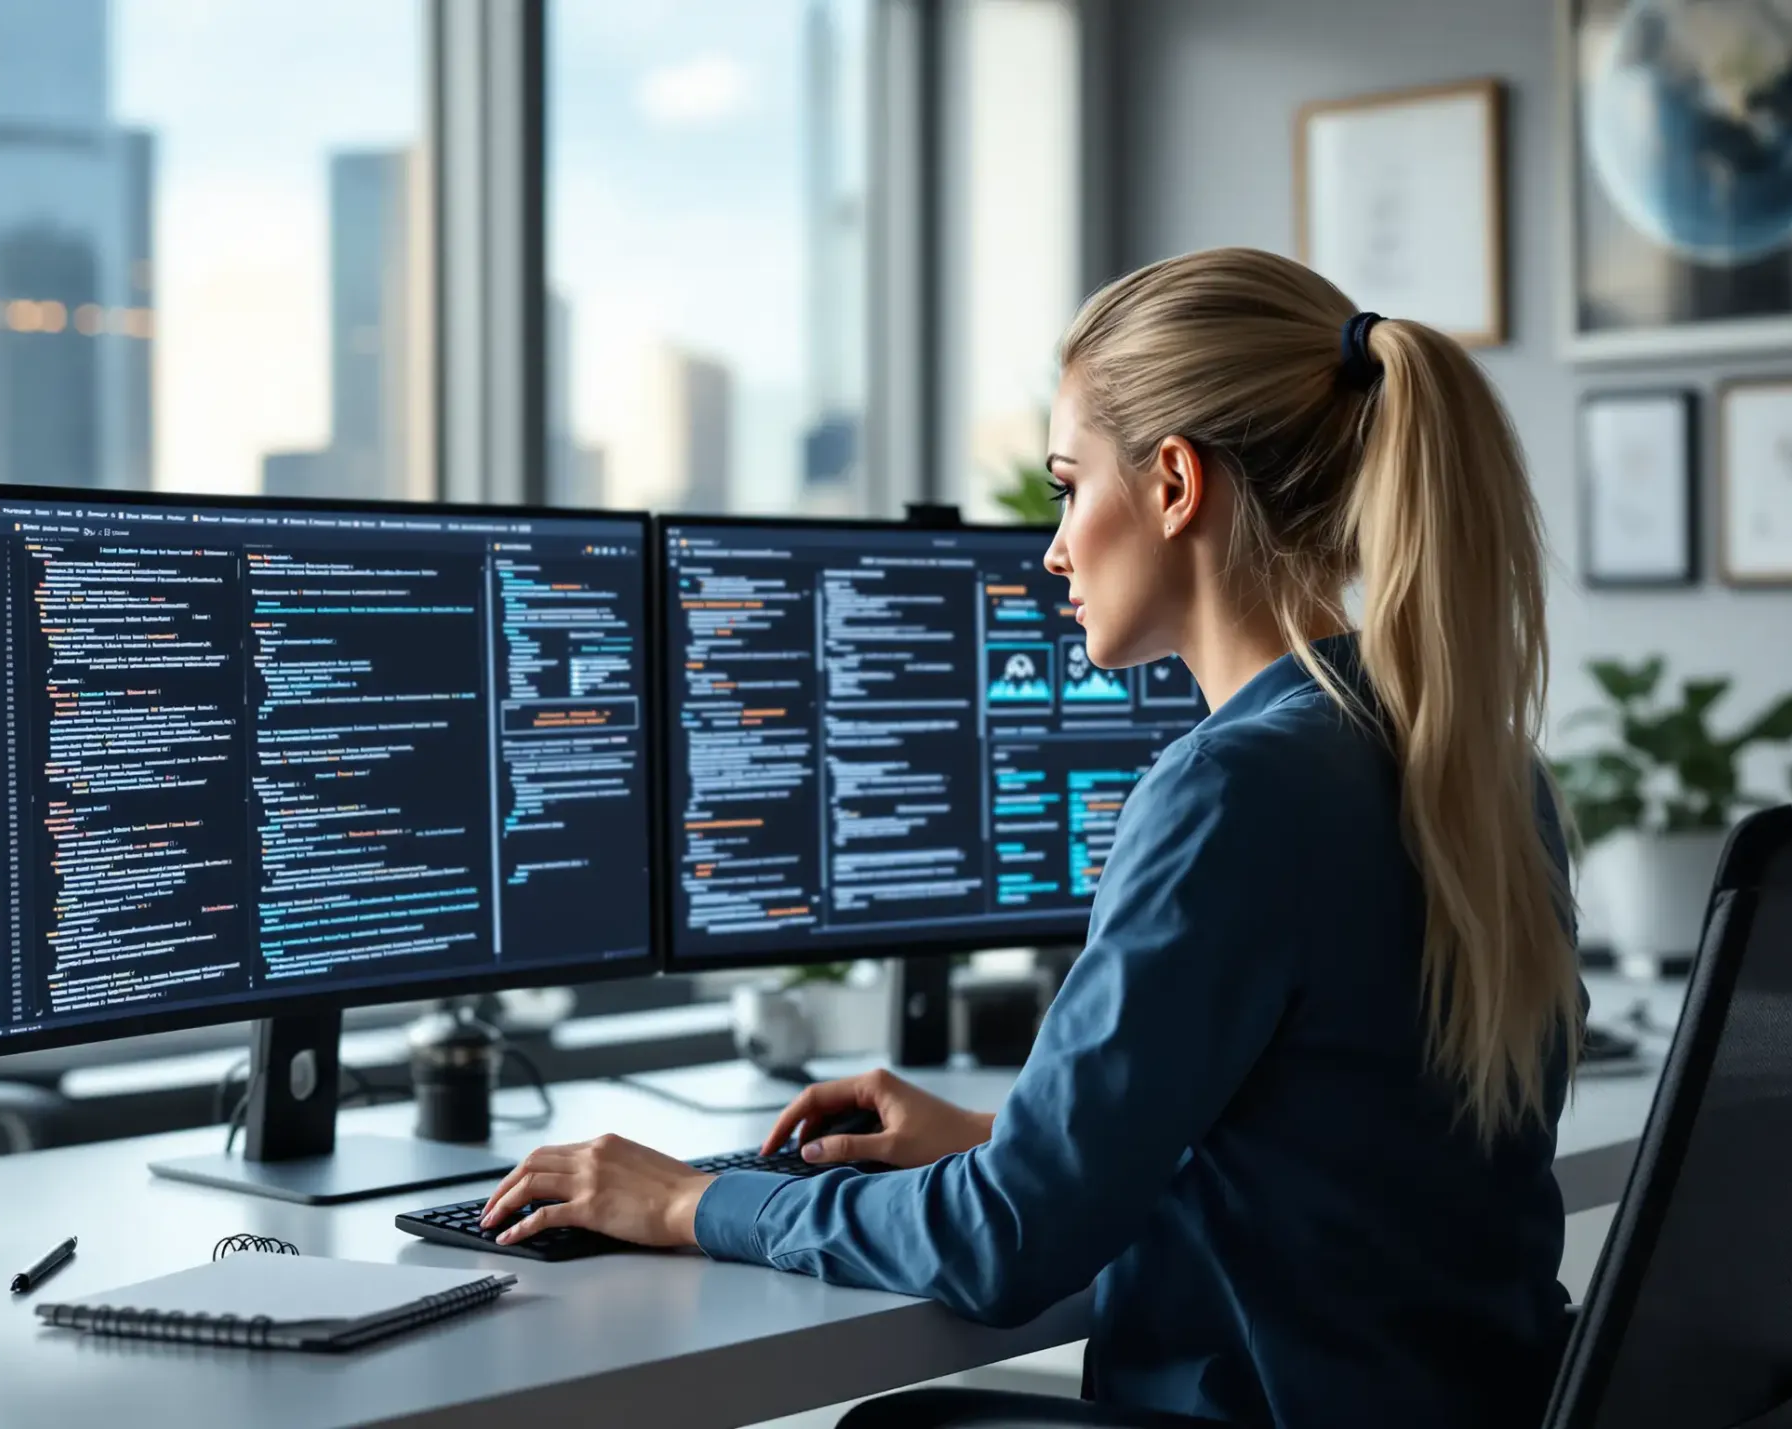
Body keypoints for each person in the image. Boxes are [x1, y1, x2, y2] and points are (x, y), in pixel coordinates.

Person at [477, 247, 1584, 1428]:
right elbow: (1345, 1148)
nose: (1052, 546)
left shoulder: (1232, 788)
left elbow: (1007, 1244)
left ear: (1172, 484)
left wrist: (690, 1203)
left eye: (1067, 485)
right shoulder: (1468, 760)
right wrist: (1016, 1135)